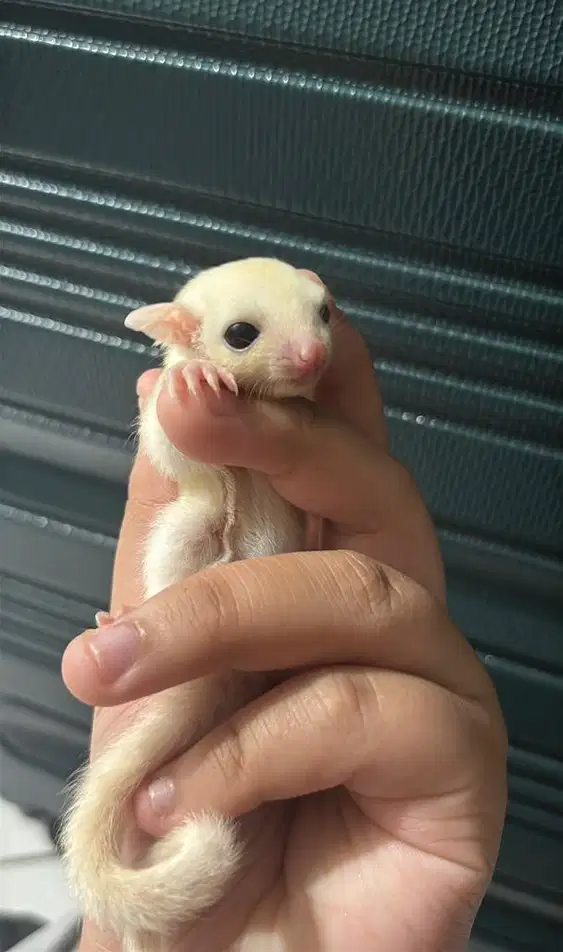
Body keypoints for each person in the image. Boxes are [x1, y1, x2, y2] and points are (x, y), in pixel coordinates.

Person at [62, 307, 507, 952]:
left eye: (318, 318)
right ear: (185, 333)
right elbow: (177, 456)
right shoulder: (182, 391)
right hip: (204, 548)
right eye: (243, 335)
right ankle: (155, 621)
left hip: (263, 598)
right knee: (185, 530)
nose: (308, 353)